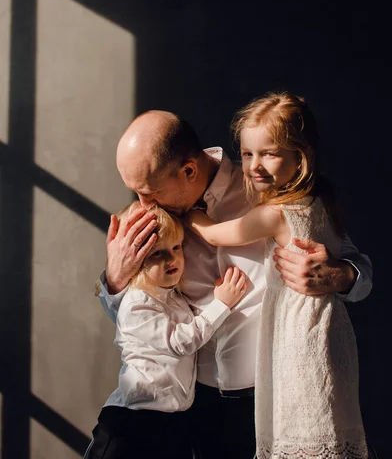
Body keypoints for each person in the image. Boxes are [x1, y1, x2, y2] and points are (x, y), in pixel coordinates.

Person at [98, 108, 372, 459]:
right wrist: (116, 280)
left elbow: (358, 268)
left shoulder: (270, 187)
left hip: (276, 399)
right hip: (198, 409)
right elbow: (140, 326)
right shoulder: (155, 221)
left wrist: (341, 275)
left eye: (149, 192)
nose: (142, 205)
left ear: (189, 171)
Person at [185, 92, 368, 459]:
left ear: (300, 157)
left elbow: (218, 234)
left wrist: (188, 214)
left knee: (303, 420)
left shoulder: (277, 212)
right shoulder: (320, 199)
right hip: (320, 331)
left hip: (296, 337)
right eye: (248, 153)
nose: (254, 165)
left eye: (269, 153)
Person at [87, 202, 247, 459]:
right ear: (136, 260)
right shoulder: (136, 303)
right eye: (157, 253)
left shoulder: (174, 297)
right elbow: (180, 342)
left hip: (173, 421)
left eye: (176, 247)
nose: (171, 258)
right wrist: (222, 304)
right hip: (133, 422)